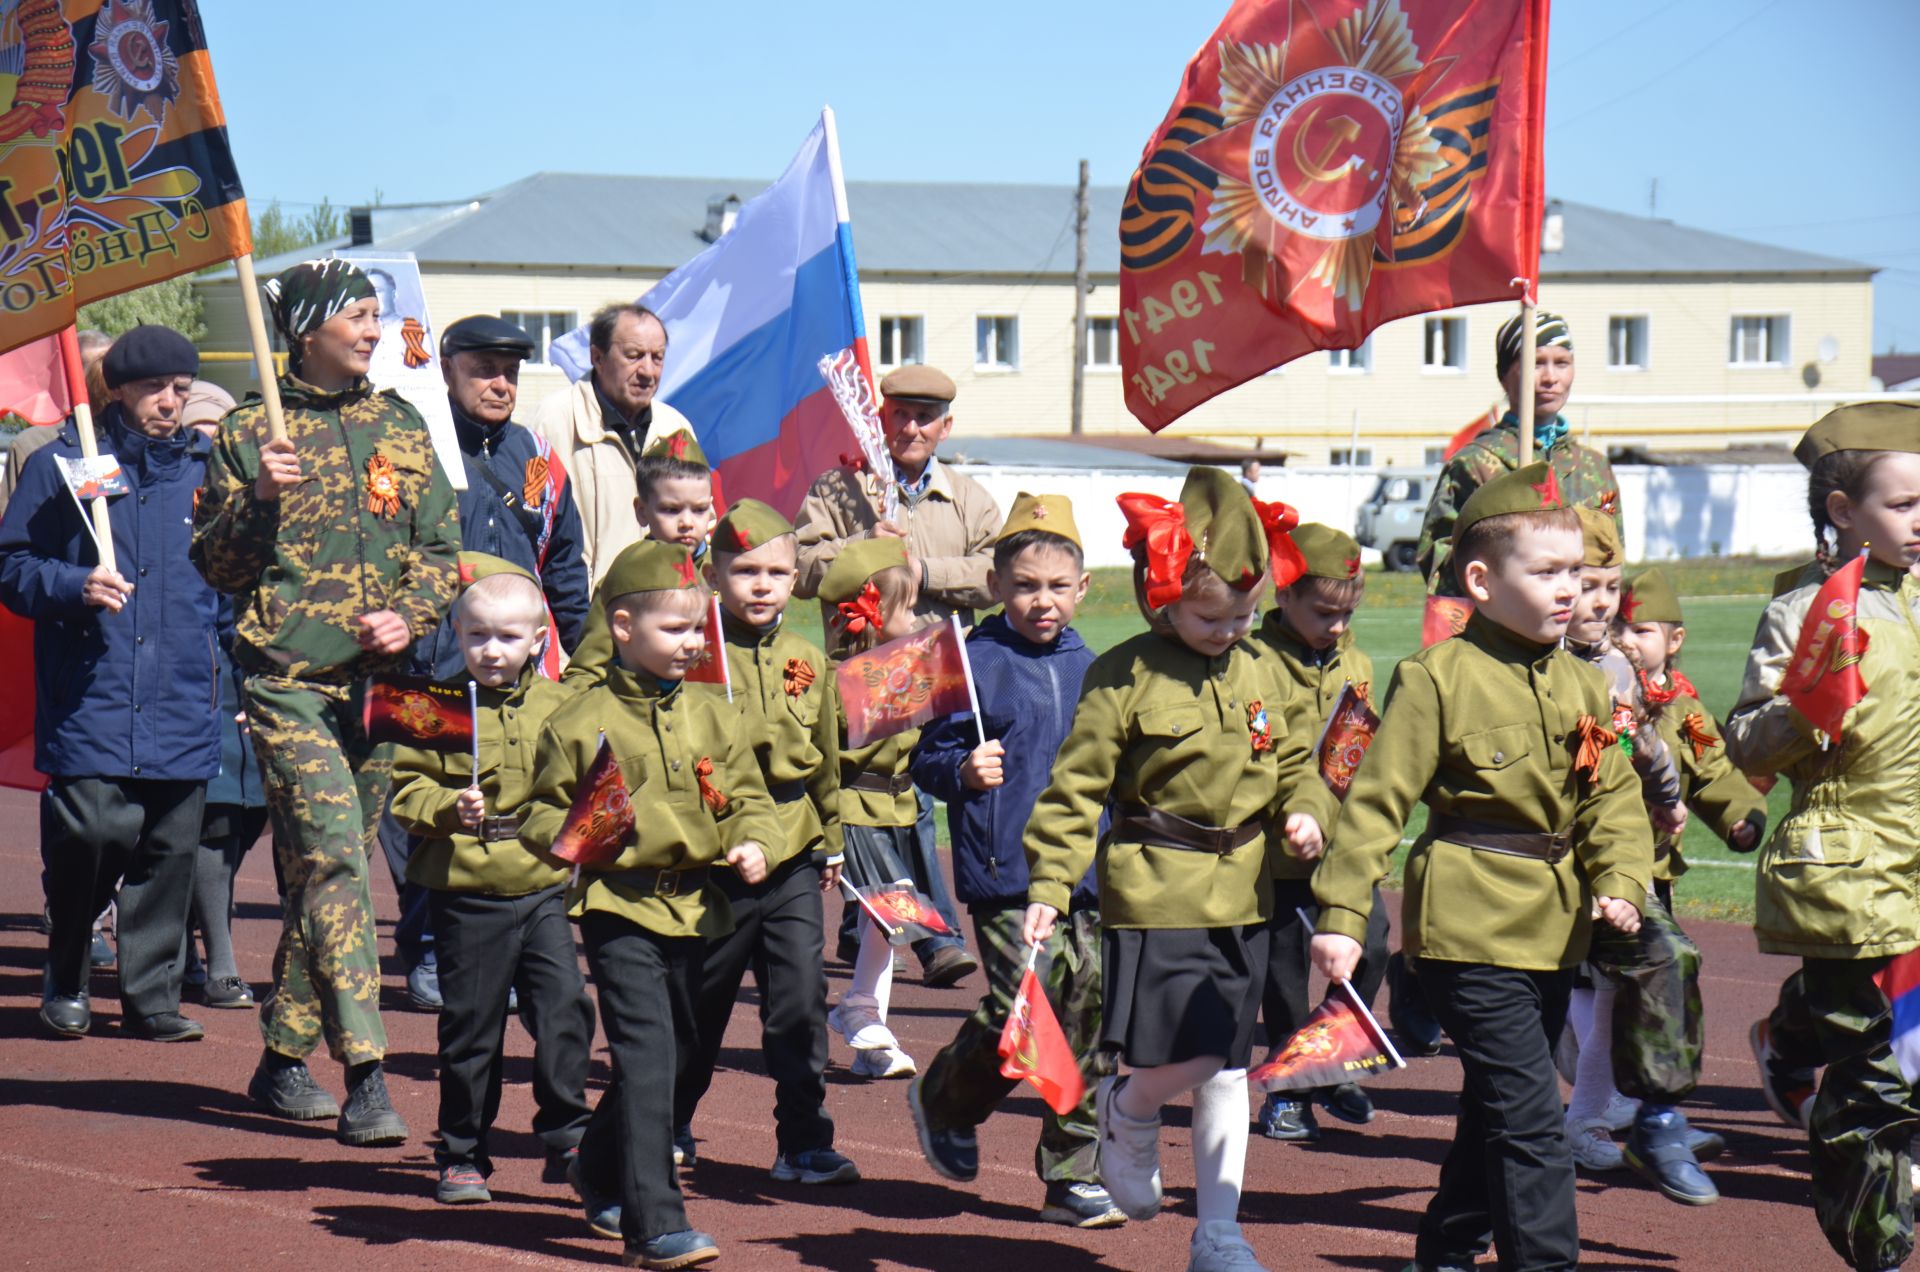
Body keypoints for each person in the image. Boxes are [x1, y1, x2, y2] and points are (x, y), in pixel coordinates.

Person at [1311, 461, 1653, 1272]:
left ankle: (1447, 1250)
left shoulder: (1585, 686)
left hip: (1554, 927)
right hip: (1466, 927)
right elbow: (1374, 805)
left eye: (1576, 571)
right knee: (1533, 1118)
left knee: (1493, 1109)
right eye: (1546, 572)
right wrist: (1341, 917)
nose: (1570, 589)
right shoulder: (1437, 678)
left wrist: (1620, 881)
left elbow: (1612, 802)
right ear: (1481, 580)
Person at [1024, 468, 1334, 1272]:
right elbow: (1075, 789)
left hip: (1245, 898)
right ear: (1158, 598)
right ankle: (1128, 1106)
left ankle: (1220, 1234)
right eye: (1210, 615)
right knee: (1188, 1061)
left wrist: (1307, 813)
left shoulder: (1266, 670)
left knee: (1229, 1069)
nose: (1231, 628)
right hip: (1157, 888)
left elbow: (1299, 762)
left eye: (1245, 612)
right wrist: (1051, 887)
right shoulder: (1123, 675)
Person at [192, 256, 462, 1146]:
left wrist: (410, 612)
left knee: (319, 876)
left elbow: (439, 548)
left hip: (382, 691)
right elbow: (217, 566)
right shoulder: (245, 433)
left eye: (376, 316)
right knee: (340, 862)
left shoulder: (402, 423)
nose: (374, 331)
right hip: (288, 687)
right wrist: (260, 498)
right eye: (356, 316)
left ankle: (280, 1060)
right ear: (307, 330)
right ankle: (370, 1077)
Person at [519, 539, 779, 1272]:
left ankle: (596, 1170)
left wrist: (755, 838)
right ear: (624, 627)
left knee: (684, 1063)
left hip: (702, 911)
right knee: (647, 1056)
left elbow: (748, 798)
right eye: (675, 629)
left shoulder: (712, 712)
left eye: (699, 629)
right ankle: (654, 1223)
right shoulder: (580, 718)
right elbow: (538, 813)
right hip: (620, 908)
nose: (693, 643)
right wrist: (577, 837)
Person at [1723, 403, 1920, 1272]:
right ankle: (1876, 1247)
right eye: (1906, 505)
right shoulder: (1807, 608)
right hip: (1848, 868)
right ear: (1844, 511)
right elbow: (1748, 743)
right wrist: (1809, 701)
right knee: (1879, 1081)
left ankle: (1791, 1034)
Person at [907, 493, 1125, 1229]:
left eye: (1057, 586)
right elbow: (926, 757)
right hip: (1004, 872)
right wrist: (962, 768)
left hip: (1088, 874)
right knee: (1022, 1007)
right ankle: (946, 1099)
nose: (1041, 601)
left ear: (1083, 588)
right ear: (996, 586)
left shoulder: (1099, 668)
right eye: (1026, 585)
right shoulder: (970, 662)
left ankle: (1072, 1173)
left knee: (1088, 1008)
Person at [0, 325, 222, 1043]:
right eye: (155, 388)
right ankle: (66, 971)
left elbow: (238, 579)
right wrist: (73, 582)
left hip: (185, 690)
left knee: (167, 851)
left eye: (180, 391)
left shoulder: (207, 470)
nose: (169, 403)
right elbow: (12, 566)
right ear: (118, 389)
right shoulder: (66, 462)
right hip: (93, 685)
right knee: (90, 834)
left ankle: (150, 997)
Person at [382, 314, 591, 1012]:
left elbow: (562, 560)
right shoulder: (412, 448)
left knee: (511, 808)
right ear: (446, 369)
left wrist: (581, 657)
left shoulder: (533, 455)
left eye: (509, 371)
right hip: (428, 665)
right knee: (422, 808)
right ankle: (430, 950)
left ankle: (505, 952)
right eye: (483, 370)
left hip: (517, 675)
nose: (499, 383)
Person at [387, 555, 595, 1206]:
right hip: (466, 891)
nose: (492, 650)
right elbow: (405, 792)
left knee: (565, 1011)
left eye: (508, 637)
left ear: (539, 640)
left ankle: (565, 1129)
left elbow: (588, 787)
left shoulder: (564, 706)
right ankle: (461, 1153)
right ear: (456, 631)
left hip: (540, 888)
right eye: (477, 635)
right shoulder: (433, 705)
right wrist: (449, 807)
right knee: (472, 1031)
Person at [673, 498, 858, 1185]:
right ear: (714, 572)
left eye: (777, 572)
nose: (761, 585)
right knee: (700, 1005)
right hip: (713, 858)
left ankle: (804, 1142)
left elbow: (826, 757)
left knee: (799, 1003)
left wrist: (831, 841)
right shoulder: (690, 650)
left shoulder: (808, 657)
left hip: (789, 854)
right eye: (745, 570)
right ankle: (670, 1121)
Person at [795, 364, 997, 987]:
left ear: (945, 426)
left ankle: (891, 926)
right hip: (861, 669)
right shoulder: (837, 488)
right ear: (880, 418)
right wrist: (862, 546)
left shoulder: (967, 497)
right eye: (899, 414)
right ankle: (926, 934)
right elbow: (800, 567)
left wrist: (919, 569)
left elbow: (996, 574)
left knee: (923, 798)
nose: (910, 426)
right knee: (874, 794)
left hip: (939, 672)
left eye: (924, 417)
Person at [1558, 508, 1717, 1205]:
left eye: (1608, 587)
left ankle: (1653, 1118)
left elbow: (1633, 741)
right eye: (1581, 582)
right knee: (1530, 1027)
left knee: (1663, 959)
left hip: (1608, 859)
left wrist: (1667, 792)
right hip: (1531, 866)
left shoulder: (1614, 665)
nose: (1597, 602)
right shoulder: (1527, 663)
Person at [1247, 523, 1389, 1143]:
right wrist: (1290, 815)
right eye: (1324, 612)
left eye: (1347, 613)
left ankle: (1326, 1066)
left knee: (1373, 947)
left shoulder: (1356, 663)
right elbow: (1257, 757)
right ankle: (1287, 1094)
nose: (1336, 625)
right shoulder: (1252, 664)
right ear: (1285, 596)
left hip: (1341, 849)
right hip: (1274, 854)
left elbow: (1351, 753)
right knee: (1281, 979)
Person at [820, 537, 931, 1080]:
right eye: (907, 606)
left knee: (881, 922)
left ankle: (871, 1040)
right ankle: (859, 1006)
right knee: (893, 911)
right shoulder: (836, 679)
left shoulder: (903, 668)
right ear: (870, 613)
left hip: (896, 807)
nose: (918, 617)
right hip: (854, 807)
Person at [1416, 311, 1623, 596]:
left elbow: (1613, 556)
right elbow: (1437, 558)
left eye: (1562, 363)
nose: (1550, 378)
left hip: (1580, 635)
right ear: (1504, 375)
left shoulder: (1595, 468)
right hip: (1503, 631)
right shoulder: (1475, 463)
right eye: (1535, 363)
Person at [531, 303, 694, 587]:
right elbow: (529, 528)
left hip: (664, 612)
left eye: (657, 358)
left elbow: (702, 520)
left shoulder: (675, 427)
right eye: (634, 356)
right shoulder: (551, 423)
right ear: (597, 356)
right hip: (579, 614)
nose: (647, 370)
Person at [561, 428, 718, 687]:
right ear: (642, 511)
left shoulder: (724, 575)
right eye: (671, 509)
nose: (687, 523)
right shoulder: (626, 578)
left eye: (699, 510)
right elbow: (587, 671)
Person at [0, 328, 111, 517]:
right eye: (97, 369)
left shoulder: (134, 435)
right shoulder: (33, 446)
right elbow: (9, 526)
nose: (105, 379)